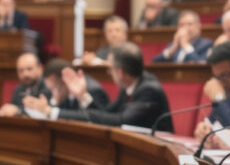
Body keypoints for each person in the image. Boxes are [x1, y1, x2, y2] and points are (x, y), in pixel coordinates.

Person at [44, 42, 173, 131]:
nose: (108, 72)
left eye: (110, 69)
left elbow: (120, 120)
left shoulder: (149, 90)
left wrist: (56, 112)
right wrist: (83, 96)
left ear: (121, 73)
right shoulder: (129, 85)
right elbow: (106, 113)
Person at [24, 58, 110, 115]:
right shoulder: (58, 92)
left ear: (65, 81)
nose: (53, 93)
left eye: (54, 88)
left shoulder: (93, 90)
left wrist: (82, 97)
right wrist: (55, 102)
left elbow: (97, 118)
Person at [0, 52, 49, 117]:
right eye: (21, 70)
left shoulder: (47, 87)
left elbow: (44, 113)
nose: (25, 74)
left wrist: (18, 111)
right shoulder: (18, 89)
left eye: (29, 69)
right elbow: (13, 107)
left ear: (40, 68)